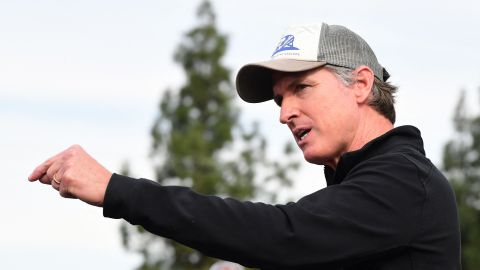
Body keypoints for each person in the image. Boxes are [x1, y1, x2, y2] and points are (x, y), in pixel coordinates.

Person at [28, 22, 461, 269]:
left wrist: (114, 189)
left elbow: (281, 234)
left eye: (301, 88)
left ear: (362, 84)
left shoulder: (403, 181)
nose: (283, 112)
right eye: (279, 99)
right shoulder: (365, 195)